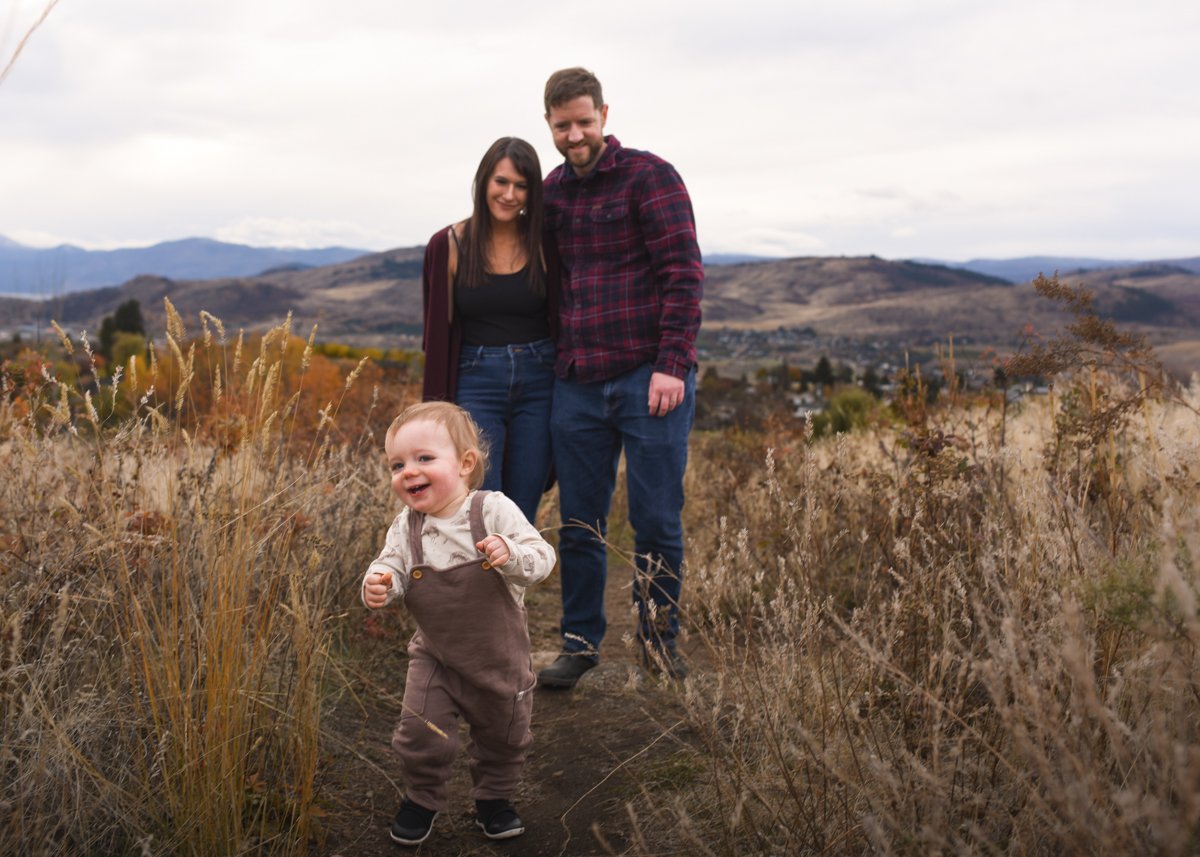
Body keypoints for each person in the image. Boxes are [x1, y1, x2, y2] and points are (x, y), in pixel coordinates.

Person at [536, 68, 704, 690]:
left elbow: (683, 273)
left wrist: (671, 363)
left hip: (647, 378)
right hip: (577, 382)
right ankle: (579, 644)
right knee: (581, 521)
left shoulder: (649, 176)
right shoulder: (552, 193)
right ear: (548, 125)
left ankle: (660, 643)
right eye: (562, 125)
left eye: (583, 121)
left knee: (656, 518)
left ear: (604, 114)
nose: (574, 134)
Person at [361, 401, 555, 845]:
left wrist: (511, 554)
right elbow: (387, 565)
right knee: (419, 732)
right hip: (436, 658)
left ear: (466, 464)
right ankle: (422, 798)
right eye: (397, 464)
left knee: (504, 737)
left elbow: (542, 558)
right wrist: (379, 584)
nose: (408, 471)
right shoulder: (406, 528)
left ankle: (494, 798)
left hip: (500, 658)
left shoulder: (491, 511)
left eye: (424, 458)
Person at [420, 136, 559, 525]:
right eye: (501, 182)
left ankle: (515, 585)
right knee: (480, 501)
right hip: (475, 380)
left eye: (521, 185)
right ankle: (480, 585)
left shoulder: (545, 243)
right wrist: (433, 414)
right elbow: (436, 337)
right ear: (484, 181)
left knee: (523, 507)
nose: (510, 194)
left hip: (540, 382)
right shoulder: (448, 245)